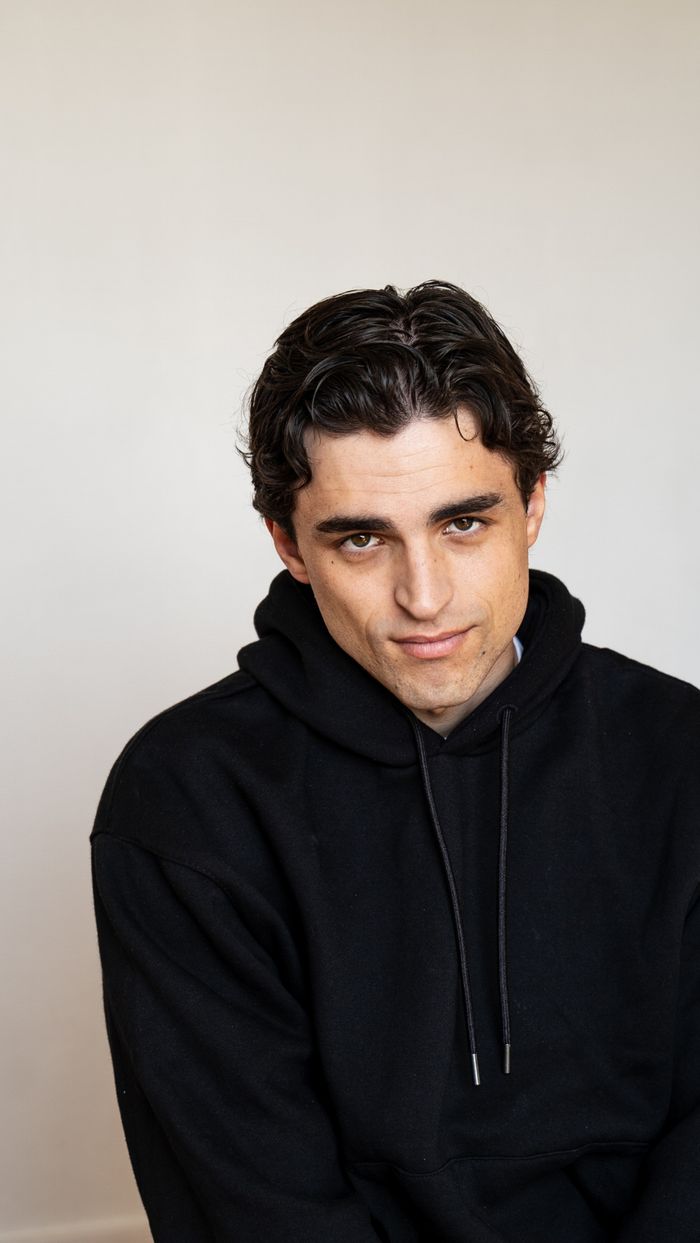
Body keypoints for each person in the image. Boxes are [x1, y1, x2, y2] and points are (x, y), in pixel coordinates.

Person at [90, 281, 700, 1243]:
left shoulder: (679, 753)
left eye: (464, 523)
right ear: (289, 545)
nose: (424, 596)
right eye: (363, 538)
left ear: (533, 504)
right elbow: (252, 1203)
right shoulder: (186, 798)